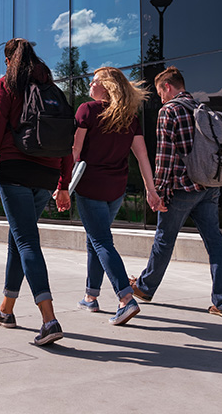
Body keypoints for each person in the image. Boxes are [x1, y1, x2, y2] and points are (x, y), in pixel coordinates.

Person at [0, 38, 73, 346]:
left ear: (10, 61)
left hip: (16, 172)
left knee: (26, 241)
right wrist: (63, 183)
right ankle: (6, 310)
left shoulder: (7, 86)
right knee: (18, 237)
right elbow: (66, 140)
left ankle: (49, 319)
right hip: (47, 176)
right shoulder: (52, 90)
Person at [130, 66, 222, 317]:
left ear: (167, 86)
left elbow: (164, 156)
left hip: (182, 188)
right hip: (209, 186)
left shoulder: (170, 110)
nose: (160, 98)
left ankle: (145, 288)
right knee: (215, 241)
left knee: (164, 240)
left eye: (160, 92)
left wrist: (157, 191)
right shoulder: (204, 108)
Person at [71, 67, 165, 326]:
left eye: (95, 82)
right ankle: (90, 296)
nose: (90, 86)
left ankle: (125, 299)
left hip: (90, 187)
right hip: (116, 190)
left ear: (108, 86)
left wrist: (62, 184)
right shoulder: (129, 118)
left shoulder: (87, 111)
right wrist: (150, 189)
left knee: (101, 241)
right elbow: (142, 156)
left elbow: (75, 152)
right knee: (96, 239)